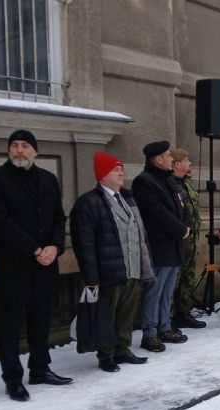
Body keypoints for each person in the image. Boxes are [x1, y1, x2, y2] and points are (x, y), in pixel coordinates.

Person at [0, 129, 71, 401]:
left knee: (41, 319)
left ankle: (40, 368)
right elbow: (0, 221)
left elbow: (58, 216)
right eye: (15, 145)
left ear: (35, 150)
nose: (20, 150)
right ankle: (13, 378)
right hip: (13, 263)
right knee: (10, 323)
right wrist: (34, 249)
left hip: (45, 262)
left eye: (25, 145)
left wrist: (55, 246)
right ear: (9, 150)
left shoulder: (48, 179)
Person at [70, 152, 155, 373]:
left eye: (121, 169)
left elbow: (139, 233)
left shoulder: (127, 198)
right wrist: (91, 277)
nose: (121, 173)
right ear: (102, 175)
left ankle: (122, 349)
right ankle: (106, 354)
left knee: (126, 313)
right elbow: (84, 245)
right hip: (108, 269)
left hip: (132, 266)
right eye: (115, 170)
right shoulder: (88, 203)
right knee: (106, 314)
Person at [132, 141, 192, 351]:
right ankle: (149, 332)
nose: (171, 159)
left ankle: (164, 326)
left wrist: (187, 226)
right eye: (168, 156)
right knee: (154, 291)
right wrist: (180, 230)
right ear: (158, 159)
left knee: (167, 291)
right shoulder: (144, 182)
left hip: (175, 244)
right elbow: (157, 214)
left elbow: (183, 206)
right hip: (159, 246)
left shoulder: (169, 180)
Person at [169, 148, 206, 330]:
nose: (190, 163)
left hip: (192, 239)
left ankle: (183, 312)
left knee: (188, 277)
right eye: (186, 160)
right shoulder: (169, 184)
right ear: (177, 164)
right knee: (173, 280)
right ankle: (169, 317)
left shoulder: (187, 182)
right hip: (178, 240)